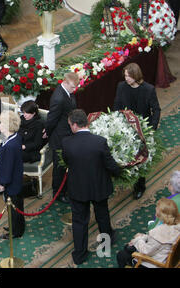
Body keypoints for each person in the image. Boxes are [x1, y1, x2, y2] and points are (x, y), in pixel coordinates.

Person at [61, 109, 121, 265]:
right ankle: (106, 243)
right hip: (98, 187)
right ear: (86, 123)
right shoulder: (99, 141)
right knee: (102, 215)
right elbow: (110, 164)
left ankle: (80, 255)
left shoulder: (67, 143)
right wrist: (120, 171)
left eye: (70, 125)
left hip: (78, 188)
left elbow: (67, 161)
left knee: (79, 222)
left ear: (75, 125)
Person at [113, 62, 161, 200]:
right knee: (126, 154)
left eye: (128, 76)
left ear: (136, 75)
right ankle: (126, 178)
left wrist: (151, 128)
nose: (126, 78)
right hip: (125, 126)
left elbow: (156, 110)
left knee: (141, 158)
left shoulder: (149, 89)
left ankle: (140, 186)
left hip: (142, 129)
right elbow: (117, 105)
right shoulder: (121, 87)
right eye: (125, 76)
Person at [44, 72, 80, 204]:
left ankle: (66, 189)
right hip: (59, 137)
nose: (74, 90)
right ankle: (58, 194)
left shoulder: (68, 92)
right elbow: (52, 118)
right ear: (65, 82)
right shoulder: (59, 98)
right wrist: (47, 132)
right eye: (72, 87)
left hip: (68, 133)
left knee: (66, 165)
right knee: (59, 168)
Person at [116, 198, 180, 268]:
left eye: (156, 209)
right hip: (164, 256)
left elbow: (145, 251)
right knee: (128, 248)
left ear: (160, 215)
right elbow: (155, 240)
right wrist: (143, 237)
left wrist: (138, 239)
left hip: (152, 264)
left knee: (121, 255)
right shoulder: (175, 226)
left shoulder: (159, 233)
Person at [0, 110, 25, 239]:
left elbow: (8, 167)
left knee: (14, 207)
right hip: (16, 180)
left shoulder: (11, 145)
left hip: (12, 183)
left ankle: (16, 232)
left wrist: (3, 183)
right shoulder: (14, 138)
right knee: (16, 206)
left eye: (1, 122)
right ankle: (16, 226)